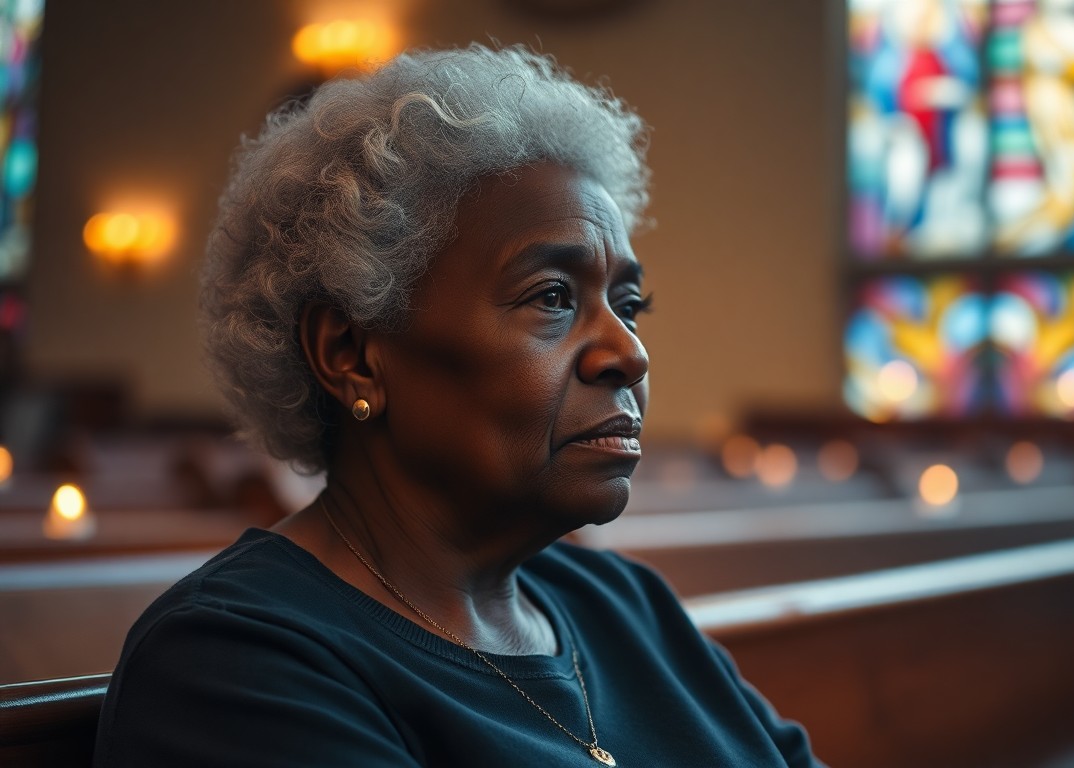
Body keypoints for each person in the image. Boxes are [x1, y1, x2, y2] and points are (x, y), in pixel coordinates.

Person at [92, 45, 822, 767]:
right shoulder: (236, 665)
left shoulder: (624, 605)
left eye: (629, 306)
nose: (629, 353)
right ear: (349, 353)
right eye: (552, 298)